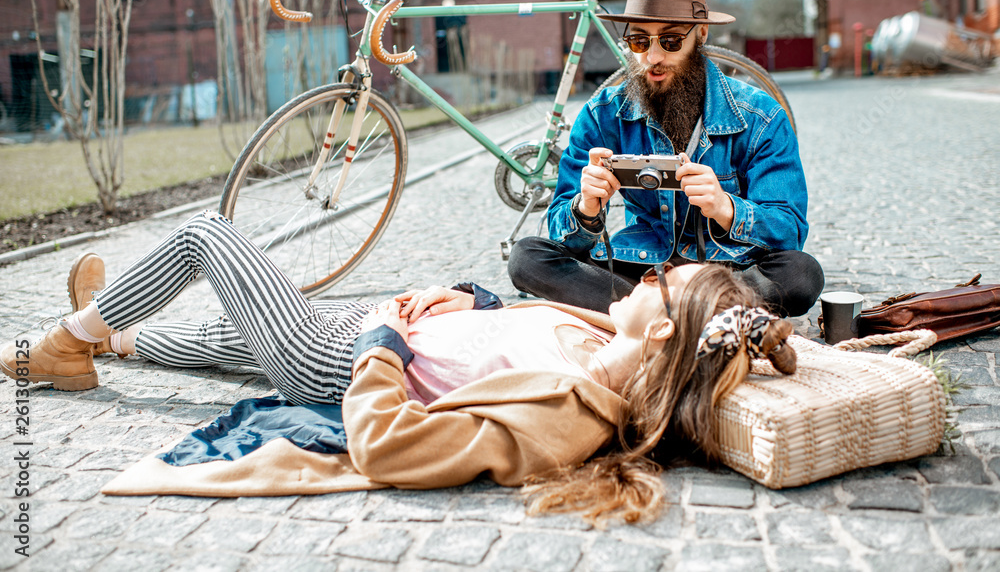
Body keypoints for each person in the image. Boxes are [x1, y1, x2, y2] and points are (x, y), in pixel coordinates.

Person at [1, 211, 795, 522]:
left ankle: (64, 341)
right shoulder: (600, 336)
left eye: (662, 283)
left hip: (333, 358)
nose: (646, 276)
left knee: (209, 235)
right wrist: (463, 296)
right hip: (376, 324)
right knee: (225, 340)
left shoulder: (570, 413)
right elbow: (507, 329)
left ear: (660, 338)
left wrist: (380, 341)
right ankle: (118, 336)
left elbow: (391, 446)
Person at [508, 0, 824, 318]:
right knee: (527, 258)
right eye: (639, 41)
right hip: (639, 269)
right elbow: (560, 234)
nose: (653, 58)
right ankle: (696, 316)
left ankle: (645, 317)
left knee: (801, 274)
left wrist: (726, 207)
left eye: (671, 41)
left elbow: (789, 232)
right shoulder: (602, 114)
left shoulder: (761, 118)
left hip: (727, 273)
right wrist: (586, 208)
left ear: (701, 34)